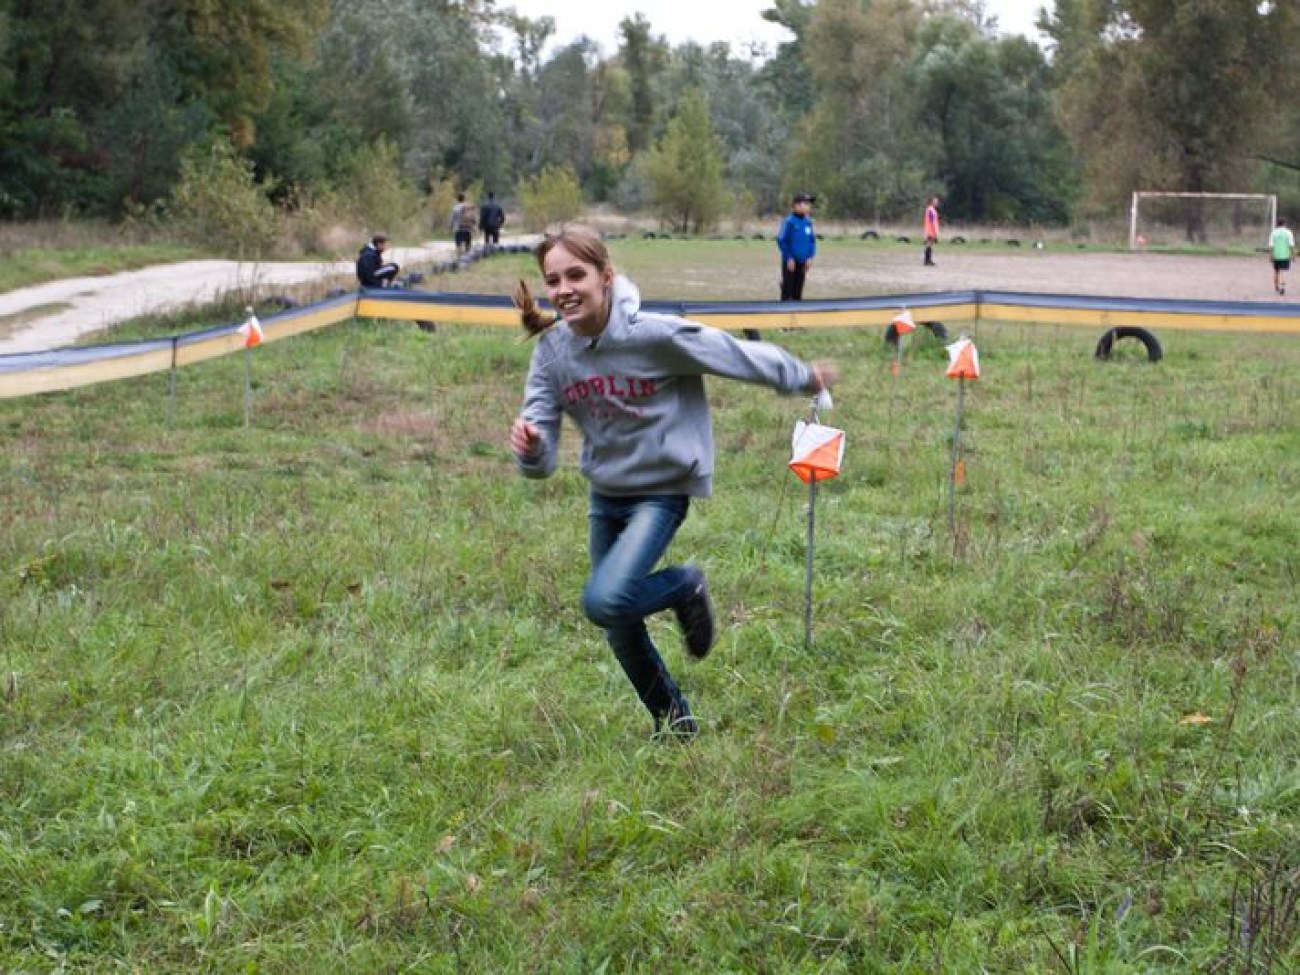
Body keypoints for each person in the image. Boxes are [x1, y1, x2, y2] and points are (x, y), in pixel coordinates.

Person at [508, 226, 837, 739]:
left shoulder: (653, 334)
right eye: (553, 280)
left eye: (577, 274)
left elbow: (730, 354)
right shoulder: (552, 353)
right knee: (619, 625)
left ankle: (686, 584)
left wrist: (800, 375)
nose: (565, 288)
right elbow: (542, 450)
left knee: (604, 601)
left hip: (661, 489)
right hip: (607, 494)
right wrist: (531, 450)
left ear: (606, 276)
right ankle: (675, 723)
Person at [776, 192, 817, 301]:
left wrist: (810, 257)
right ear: (796, 205)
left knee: (798, 292)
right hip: (791, 263)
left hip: (803, 262)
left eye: (809, 204)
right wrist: (789, 257)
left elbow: (812, 241)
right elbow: (781, 240)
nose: (808, 207)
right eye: (806, 204)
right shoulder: (789, 221)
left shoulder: (808, 222)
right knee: (787, 291)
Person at [1270, 217, 1295, 295]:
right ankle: (1283, 287)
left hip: (1276, 255)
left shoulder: (1274, 232)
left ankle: (1276, 287)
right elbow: (1291, 245)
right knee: (1283, 272)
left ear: (1277, 224)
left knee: (1276, 271)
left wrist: (1271, 255)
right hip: (1285, 255)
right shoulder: (1288, 232)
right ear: (1285, 224)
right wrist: (1293, 255)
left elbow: (1271, 245)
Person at [923, 196, 940, 266]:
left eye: (937, 201)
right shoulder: (931, 210)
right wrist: (936, 231)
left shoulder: (931, 210)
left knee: (930, 245)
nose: (937, 203)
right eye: (935, 201)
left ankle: (928, 260)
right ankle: (927, 260)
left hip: (930, 230)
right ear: (932, 202)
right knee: (929, 245)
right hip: (930, 230)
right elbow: (932, 221)